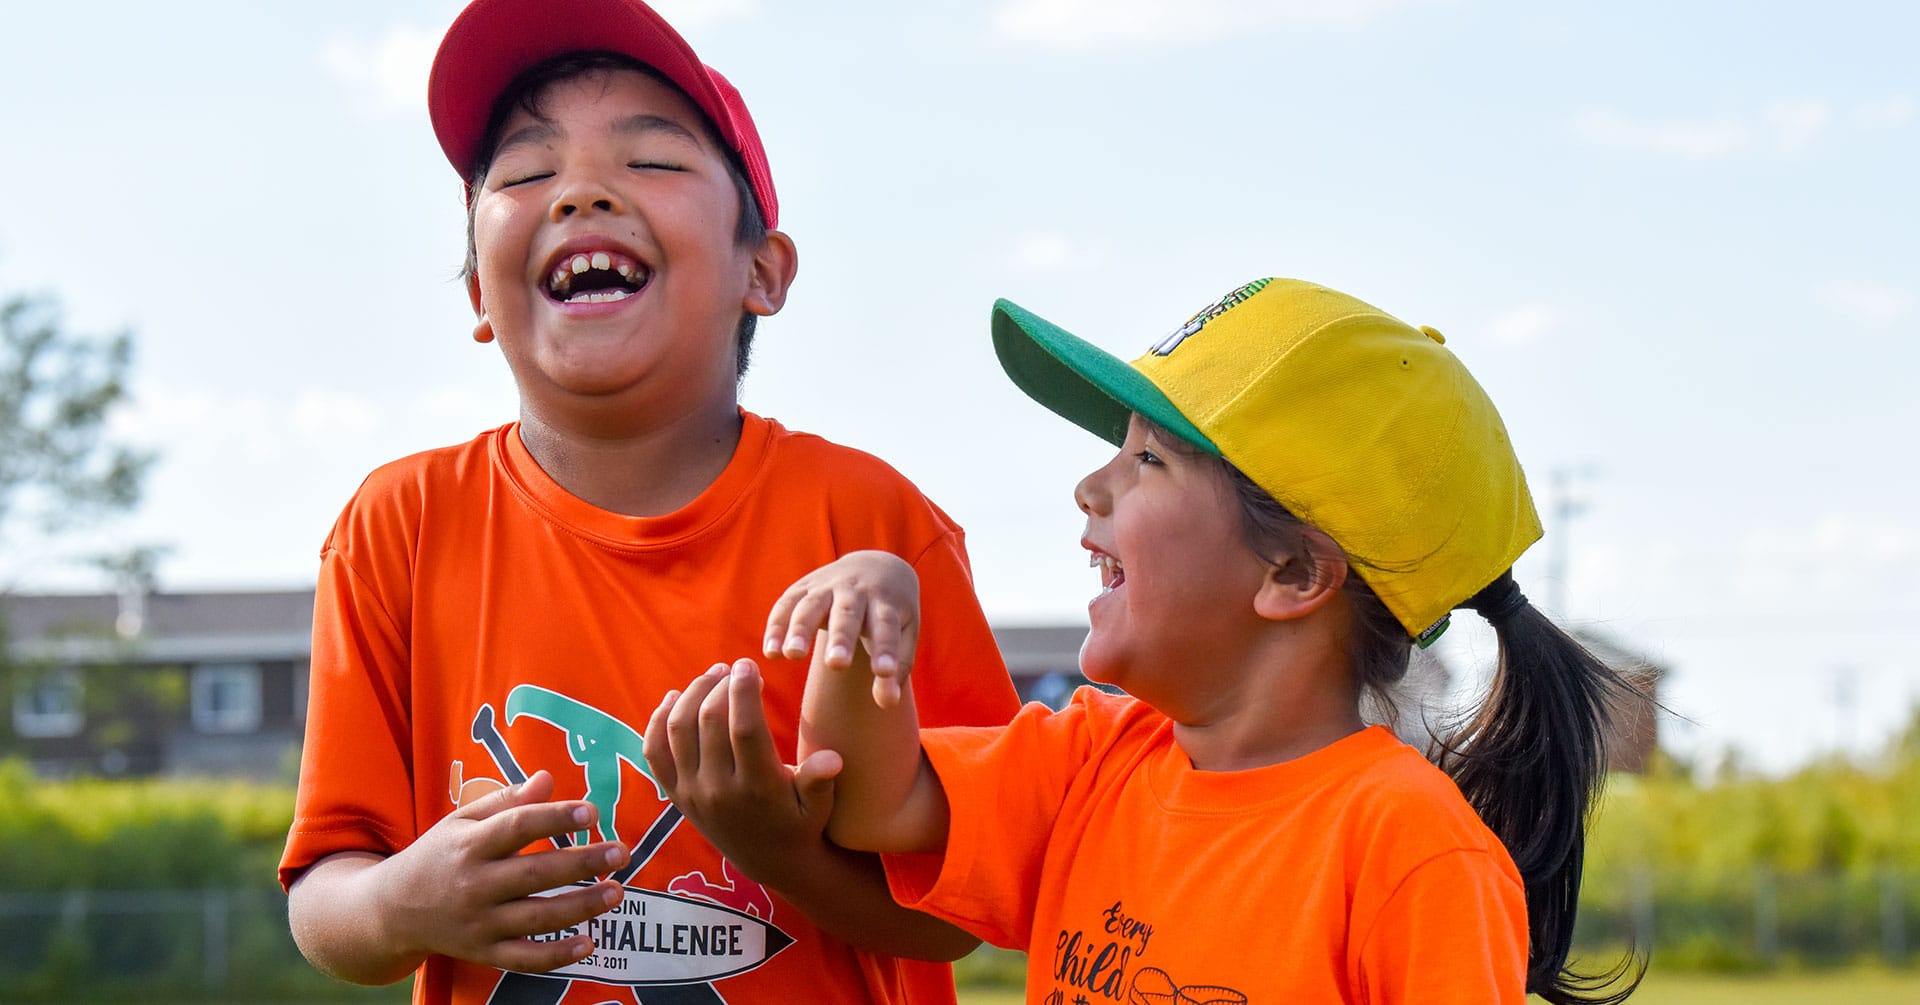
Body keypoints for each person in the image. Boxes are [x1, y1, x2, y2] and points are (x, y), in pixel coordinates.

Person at [278, 1, 1019, 1002]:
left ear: (763, 271)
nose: (581, 193)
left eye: (653, 160)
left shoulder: (874, 527)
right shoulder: (397, 526)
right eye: (525, 174)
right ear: (478, 296)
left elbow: (962, 918)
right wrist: (402, 905)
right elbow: (327, 901)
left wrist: (780, 849)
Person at [755, 278, 1642, 1003]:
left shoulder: (1409, 847)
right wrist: (861, 624)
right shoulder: (1091, 762)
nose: (1090, 485)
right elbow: (869, 803)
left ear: (1293, 572)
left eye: (1149, 459)